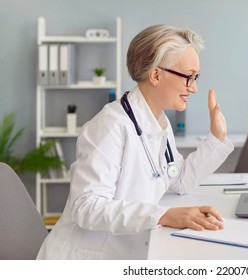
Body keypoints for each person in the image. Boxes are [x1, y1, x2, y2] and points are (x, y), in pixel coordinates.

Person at [37, 24, 234, 260]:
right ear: (156, 75)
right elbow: (86, 207)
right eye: (188, 77)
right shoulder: (111, 125)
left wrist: (217, 138)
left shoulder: (158, 121)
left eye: (196, 77)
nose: (194, 87)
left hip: (131, 250)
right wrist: (163, 215)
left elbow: (179, 181)